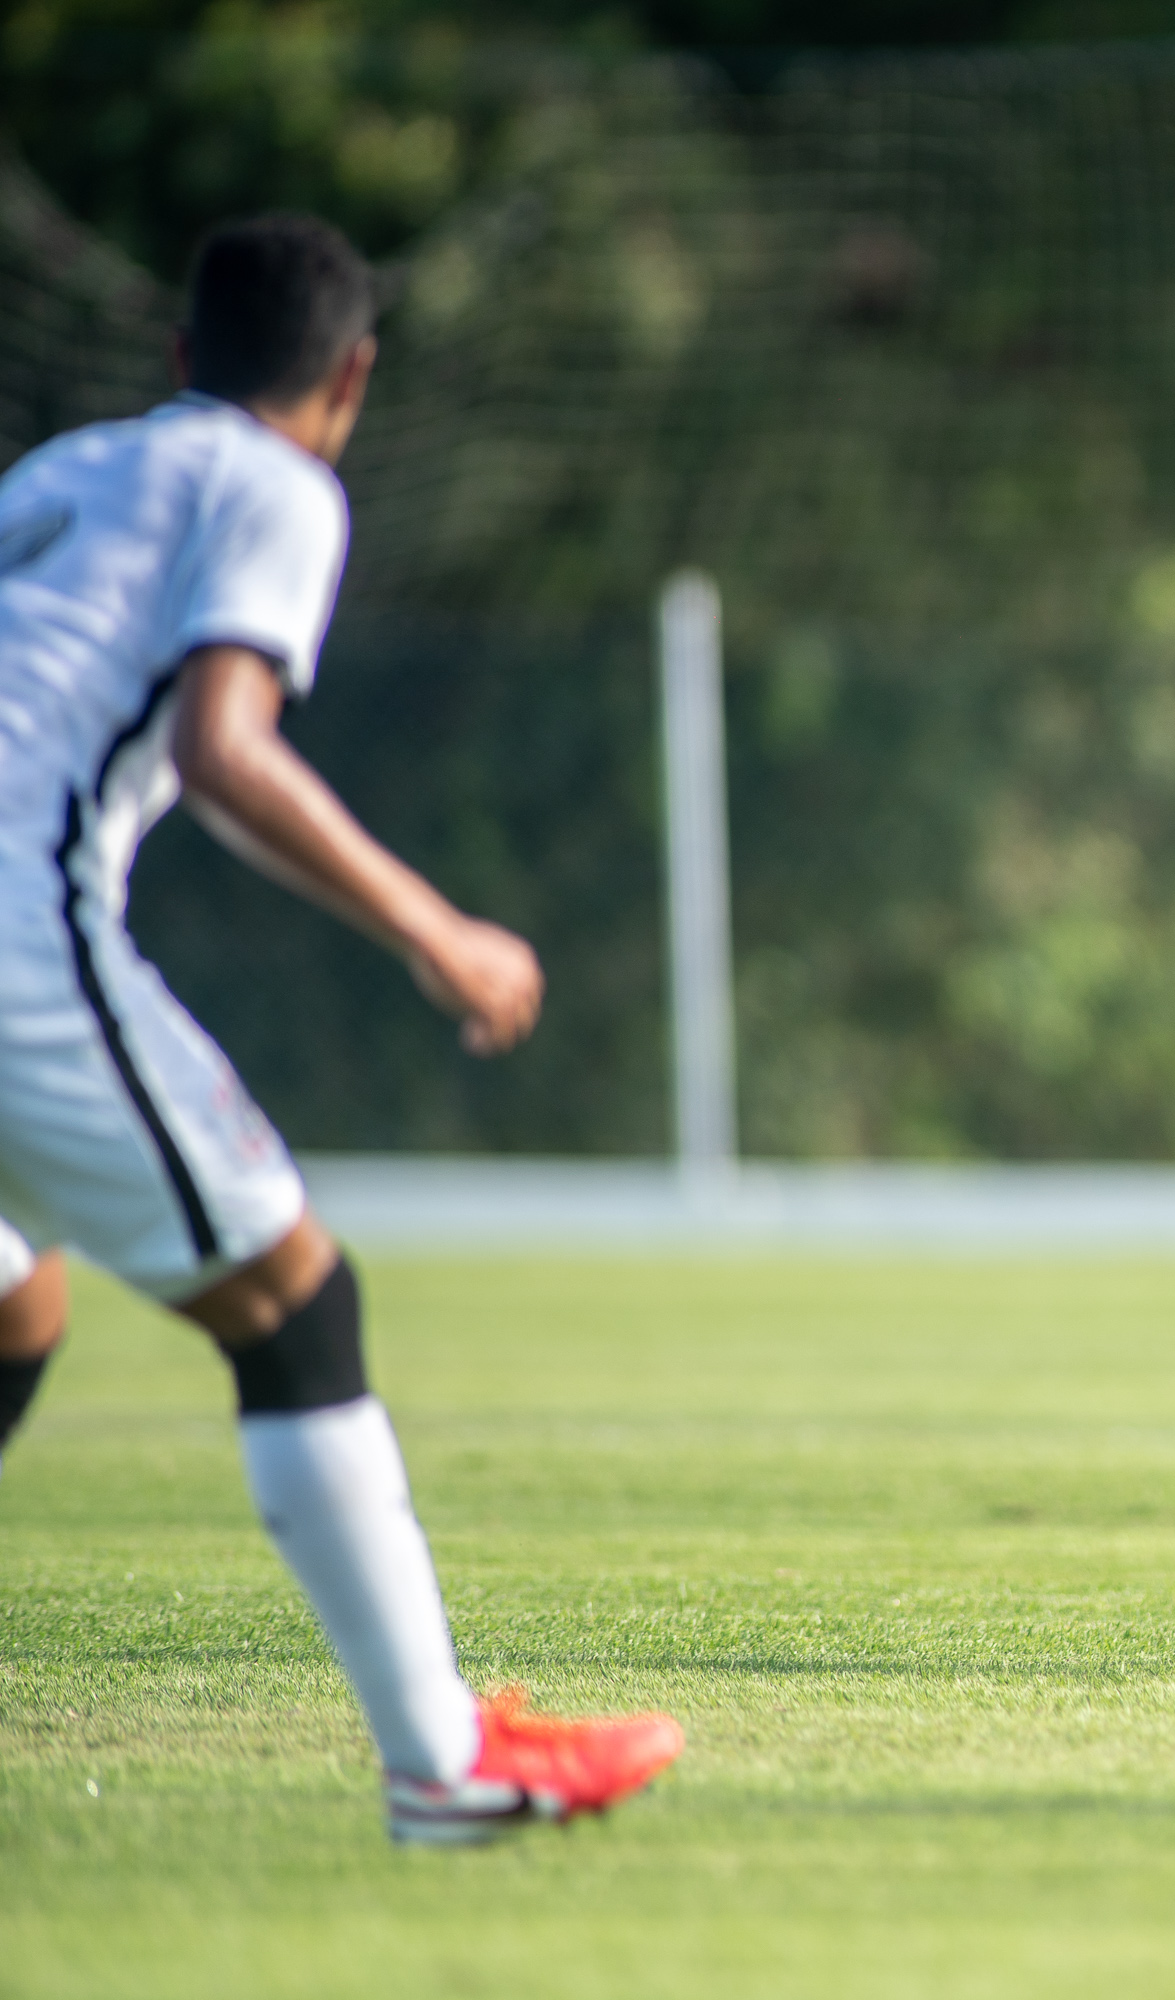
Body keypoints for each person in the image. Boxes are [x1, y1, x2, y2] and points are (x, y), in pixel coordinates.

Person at [0, 215, 682, 1843]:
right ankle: (442, 1767)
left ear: (179, 360)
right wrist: (436, 931)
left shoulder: (63, 474)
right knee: (299, 1304)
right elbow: (224, 748)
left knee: (17, 1306)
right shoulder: (276, 485)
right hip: (16, 937)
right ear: (353, 379)